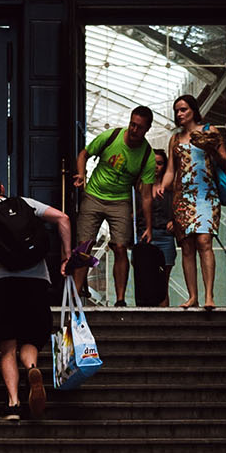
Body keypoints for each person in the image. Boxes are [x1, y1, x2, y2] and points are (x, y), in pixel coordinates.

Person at [0, 172, 71, 422]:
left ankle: (13, 405)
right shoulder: (25, 204)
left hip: (4, 285)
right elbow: (63, 219)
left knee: (8, 347)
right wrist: (66, 256)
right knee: (30, 341)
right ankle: (32, 370)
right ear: (0, 187)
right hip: (37, 282)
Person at [70, 106, 159, 307]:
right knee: (84, 247)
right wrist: (82, 174)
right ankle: (75, 296)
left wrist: (149, 227)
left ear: (147, 129)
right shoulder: (112, 136)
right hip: (94, 196)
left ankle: (120, 299)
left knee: (120, 247)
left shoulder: (147, 156)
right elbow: (84, 153)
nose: (134, 130)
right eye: (132, 124)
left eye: (140, 127)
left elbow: (146, 196)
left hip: (120, 201)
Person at [150, 96, 226, 310]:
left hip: (206, 195)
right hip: (183, 197)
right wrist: (162, 186)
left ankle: (209, 295)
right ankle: (193, 296)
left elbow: (225, 160)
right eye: (177, 111)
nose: (179, 114)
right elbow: (171, 170)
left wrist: (210, 147)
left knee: (204, 242)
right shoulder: (175, 139)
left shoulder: (210, 130)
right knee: (187, 246)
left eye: (183, 109)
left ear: (193, 110)